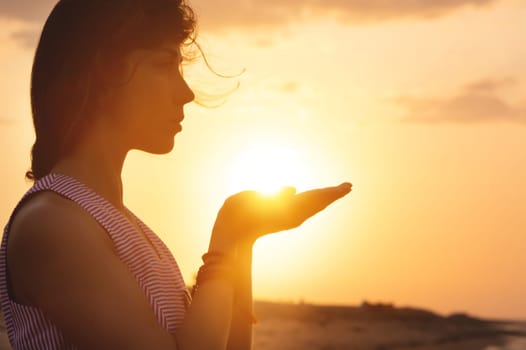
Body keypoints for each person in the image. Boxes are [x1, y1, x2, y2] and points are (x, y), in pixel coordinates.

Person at [0, 0, 353, 349]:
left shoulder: (119, 227)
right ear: (101, 72)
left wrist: (242, 240)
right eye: (165, 63)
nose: (186, 93)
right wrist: (226, 238)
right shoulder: (52, 226)